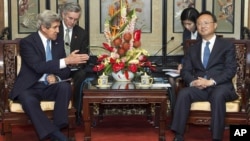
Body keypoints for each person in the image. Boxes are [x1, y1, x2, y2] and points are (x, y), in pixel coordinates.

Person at [9, 10, 89, 141]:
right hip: (30, 87)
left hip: (50, 86)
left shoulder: (58, 43)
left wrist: (57, 77)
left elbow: (65, 71)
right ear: (43, 28)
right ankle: (58, 136)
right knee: (28, 101)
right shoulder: (27, 42)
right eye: (55, 27)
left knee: (65, 87)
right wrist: (66, 60)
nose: (58, 30)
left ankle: (56, 128)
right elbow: (38, 66)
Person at [171, 11, 238, 141]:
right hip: (200, 88)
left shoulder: (226, 45)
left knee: (217, 95)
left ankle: (216, 137)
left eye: (206, 23)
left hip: (221, 87)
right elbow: (185, 71)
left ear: (215, 25)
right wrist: (193, 82)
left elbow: (230, 70)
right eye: (199, 24)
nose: (202, 26)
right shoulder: (192, 48)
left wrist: (211, 82)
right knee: (184, 93)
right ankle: (178, 135)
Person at [58, 2, 90, 125]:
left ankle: (75, 112)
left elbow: (84, 56)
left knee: (81, 75)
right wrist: (66, 61)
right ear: (63, 15)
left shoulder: (81, 33)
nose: (72, 22)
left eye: (76, 19)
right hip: (57, 68)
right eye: (70, 18)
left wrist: (76, 62)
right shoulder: (54, 29)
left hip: (74, 70)